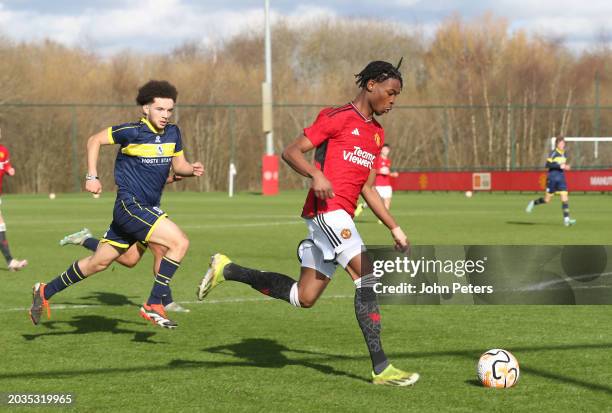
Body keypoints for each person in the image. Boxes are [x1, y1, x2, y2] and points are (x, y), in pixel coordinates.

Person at [197, 60, 419, 386]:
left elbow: (367, 188)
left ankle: (227, 269)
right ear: (371, 84)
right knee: (367, 275)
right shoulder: (336, 117)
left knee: (304, 297)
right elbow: (291, 151)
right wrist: (316, 174)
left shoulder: (376, 134)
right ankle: (381, 368)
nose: (393, 101)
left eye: (396, 96)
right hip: (327, 213)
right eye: (390, 92)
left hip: (338, 217)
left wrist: (394, 227)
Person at [29, 80, 203, 328]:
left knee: (108, 262)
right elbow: (93, 140)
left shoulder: (173, 133)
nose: (165, 115)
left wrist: (191, 169)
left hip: (144, 208)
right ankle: (154, 303)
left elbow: (179, 166)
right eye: (159, 109)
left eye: (169, 110)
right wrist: (92, 176)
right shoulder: (131, 132)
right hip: (131, 206)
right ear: (145, 108)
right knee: (179, 242)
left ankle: (45, 291)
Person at [58, 174, 189, 313]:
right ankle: (165, 301)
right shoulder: (133, 156)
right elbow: (142, 176)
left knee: (129, 260)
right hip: (137, 211)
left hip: (147, 209)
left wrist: (173, 177)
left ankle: (85, 239)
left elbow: (153, 177)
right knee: (161, 250)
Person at [526, 136, 576, 226]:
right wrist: (559, 166)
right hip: (552, 179)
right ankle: (533, 203)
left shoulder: (565, 154)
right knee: (547, 200)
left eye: (563, 143)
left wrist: (566, 166)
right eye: (560, 143)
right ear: (557, 144)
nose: (562, 145)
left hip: (561, 178)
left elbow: (563, 165)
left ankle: (566, 219)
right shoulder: (553, 153)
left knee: (564, 197)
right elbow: (547, 164)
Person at [0, 127, 27, 271]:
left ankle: (10, 261)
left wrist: (9, 170)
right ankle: (10, 261)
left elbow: (5, 166)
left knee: (1, 225)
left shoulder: (3, 151)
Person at [354, 143, 398, 220]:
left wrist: (392, 174)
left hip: (387, 185)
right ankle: (362, 206)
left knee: (387, 202)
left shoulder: (388, 161)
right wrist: (380, 171)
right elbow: (373, 171)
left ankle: (383, 219)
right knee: (374, 202)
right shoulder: (377, 160)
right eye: (384, 149)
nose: (386, 151)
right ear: (381, 150)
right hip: (379, 185)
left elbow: (387, 172)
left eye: (387, 149)